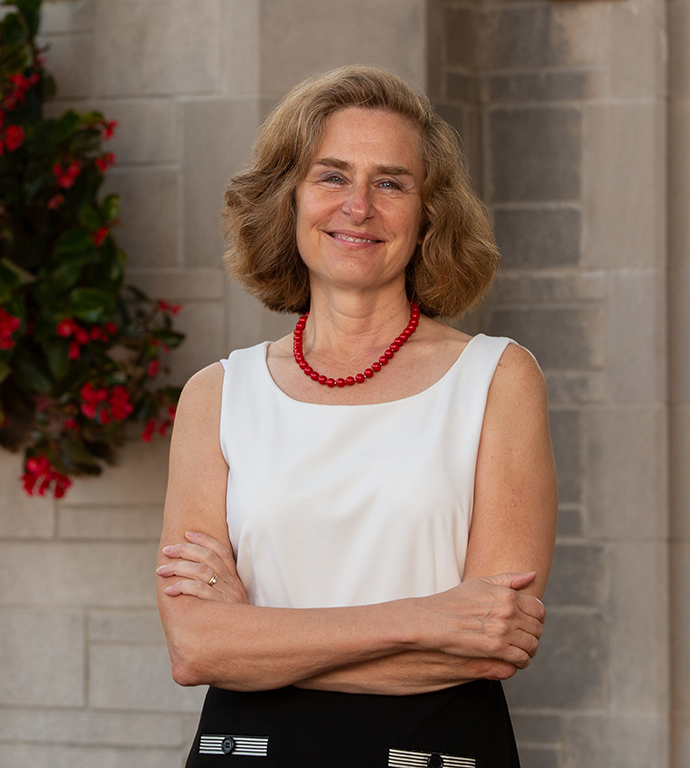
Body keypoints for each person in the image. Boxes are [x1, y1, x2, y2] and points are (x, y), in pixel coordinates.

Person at [156, 65, 557, 768]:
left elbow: (493, 640)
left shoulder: (497, 378)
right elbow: (195, 647)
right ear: (289, 199)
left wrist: (254, 638)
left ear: (430, 212)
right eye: (332, 176)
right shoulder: (217, 395)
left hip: (436, 754)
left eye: (392, 182)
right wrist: (425, 620)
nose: (359, 206)